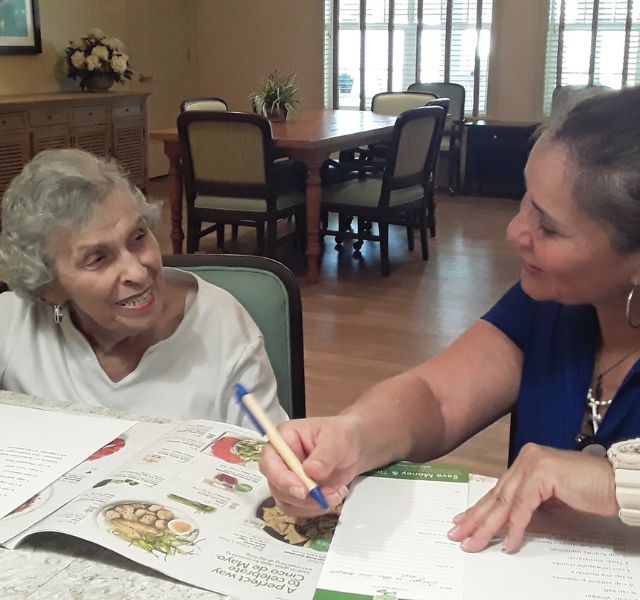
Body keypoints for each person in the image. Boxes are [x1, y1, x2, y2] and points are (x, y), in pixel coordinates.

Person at [260, 86, 640, 552]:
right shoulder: (553, 303)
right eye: (525, 201)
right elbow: (437, 399)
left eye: (549, 227)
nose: (514, 231)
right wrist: (355, 432)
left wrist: (614, 482)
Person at [0, 148, 286, 427]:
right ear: (50, 287)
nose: (138, 272)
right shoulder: (14, 322)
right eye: (98, 258)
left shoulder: (221, 328)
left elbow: (269, 455)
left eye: (138, 237)